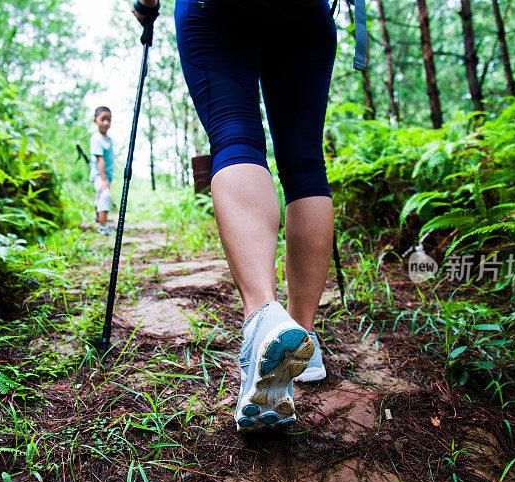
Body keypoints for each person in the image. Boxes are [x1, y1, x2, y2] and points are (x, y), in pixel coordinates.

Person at [133, 0, 342, 432]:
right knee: (305, 165)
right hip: (306, 15)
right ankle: (304, 334)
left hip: (215, 9)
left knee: (235, 136)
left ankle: (265, 316)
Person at [90, 106, 115, 235]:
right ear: (95, 121)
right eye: (103, 119)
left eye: (109, 120)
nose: (106, 123)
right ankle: (103, 226)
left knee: (100, 197)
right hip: (100, 176)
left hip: (106, 176)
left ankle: (99, 217)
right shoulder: (96, 139)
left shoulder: (107, 139)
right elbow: (100, 160)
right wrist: (104, 180)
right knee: (105, 195)